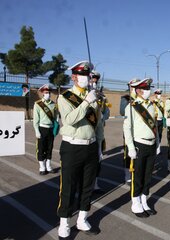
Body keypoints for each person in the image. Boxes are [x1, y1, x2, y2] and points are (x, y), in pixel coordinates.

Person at [57, 61, 103, 238]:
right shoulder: (65, 97)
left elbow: (98, 125)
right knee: (68, 185)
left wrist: (99, 145)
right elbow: (69, 120)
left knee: (87, 186)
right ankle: (64, 222)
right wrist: (86, 103)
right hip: (72, 147)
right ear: (74, 77)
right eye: (82, 75)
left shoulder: (93, 96)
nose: (86, 78)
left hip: (90, 146)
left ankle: (82, 219)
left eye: (87, 75)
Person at [123, 78, 157, 218]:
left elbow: (153, 125)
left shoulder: (150, 105)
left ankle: (144, 200)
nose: (149, 91)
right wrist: (130, 147)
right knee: (138, 176)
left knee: (148, 175)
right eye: (146, 88)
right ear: (138, 90)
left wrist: (158, 142)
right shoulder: (131, 107)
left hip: (151, 144)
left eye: (149, 88)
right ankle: (135, 203)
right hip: (139, 145)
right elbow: (127, 128)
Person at [90, 70, 110, 193]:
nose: (94, 82)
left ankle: (95, 183)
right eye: (92, 79)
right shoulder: (83, 95)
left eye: (96, 80)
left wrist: (103, 115)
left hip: (99, 132)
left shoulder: (102, 96)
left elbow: (107, 112)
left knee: (98, 159)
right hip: (87, 132)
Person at [33, 84, 57, 175]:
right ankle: (42, 167)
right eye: (46, 92)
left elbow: (56, 118)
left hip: (50, 129)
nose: (47, 94)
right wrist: (37, 131)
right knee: (41, 148)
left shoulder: (53, 104)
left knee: (49, 148)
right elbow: (35, 120)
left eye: (49, 92)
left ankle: (48, 166)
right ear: (43, 93)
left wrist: (56, 128)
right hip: (42, 128)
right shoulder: (38, 104)